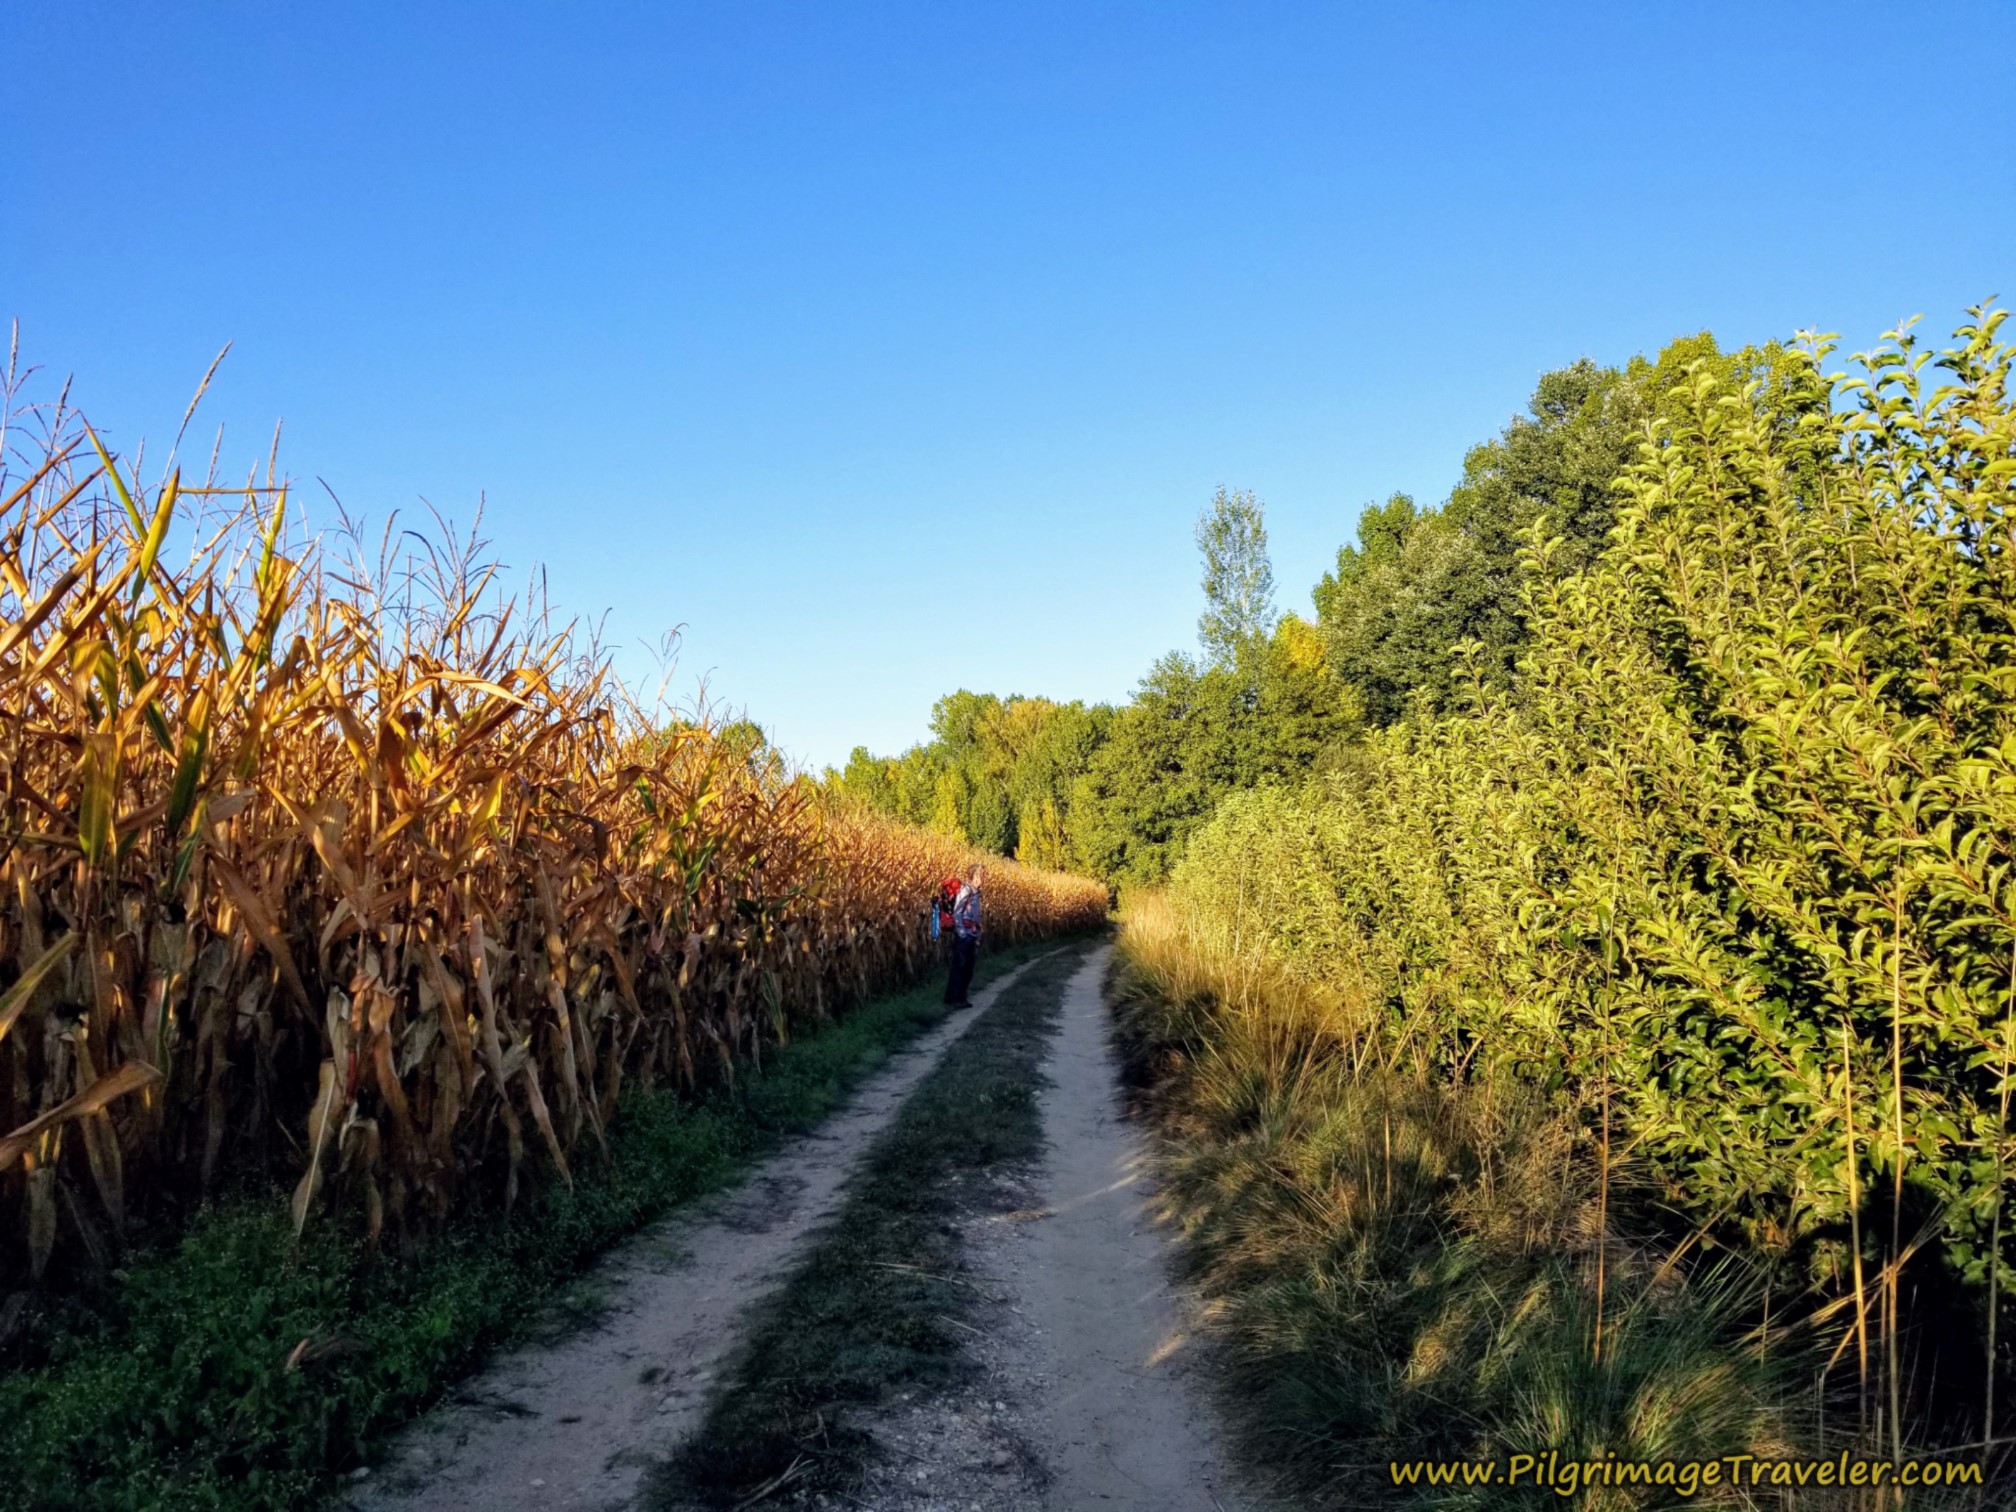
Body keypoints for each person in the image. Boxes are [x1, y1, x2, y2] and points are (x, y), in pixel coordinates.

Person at [944, 862, 983, 1007]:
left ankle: (961, 997)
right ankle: (952, 998)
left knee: (968, 968)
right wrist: (961, 932)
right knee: (959, 967)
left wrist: (977, 932)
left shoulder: (976, 893)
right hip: (964, 935)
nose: (983, 879)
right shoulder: (966, 890)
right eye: (980, 875)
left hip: (971, 934)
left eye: (983, 876)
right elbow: (957, 911)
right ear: (973, 876)